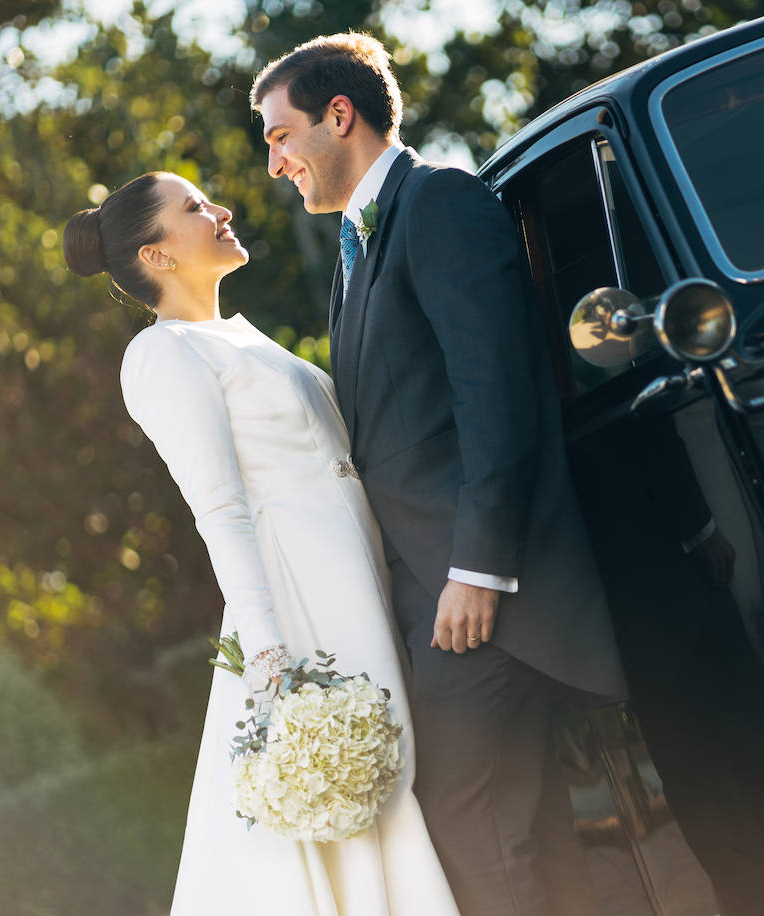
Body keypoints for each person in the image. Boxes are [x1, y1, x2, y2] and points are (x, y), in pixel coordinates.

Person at [251, 33, 627, 916]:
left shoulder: (440, 203)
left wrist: (478, 569)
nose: (274, 164)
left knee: (471, 833)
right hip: (436, 600)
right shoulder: (355, 252)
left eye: (279, 136)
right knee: (525, 832)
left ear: (338, 116)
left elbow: (496, 393)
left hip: (488, 603)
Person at [62, 171, 460, 916]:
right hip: (305, 599)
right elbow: (220, 508)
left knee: (406, 782)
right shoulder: (162, 356)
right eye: (195, 208)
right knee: (368, 792)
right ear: (158, 256)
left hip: (360, 571)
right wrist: (271, 658)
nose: (220, 211)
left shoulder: (237, 337)